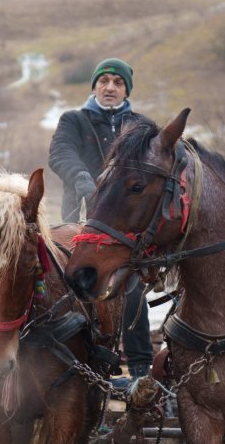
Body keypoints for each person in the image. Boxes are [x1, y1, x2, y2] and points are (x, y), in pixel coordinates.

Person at [48, 57, 153, 378]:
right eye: (103, 81)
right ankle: (76, 360)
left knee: (131, 289)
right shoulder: (74, 120)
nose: (110, 87)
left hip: (125, 227)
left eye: (118, 82)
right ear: (94, 86)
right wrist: (81, 177)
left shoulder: (142, 126)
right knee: (76, 290)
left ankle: (140, 368)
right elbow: (60, 153)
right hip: (81, 220)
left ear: (126, 90)